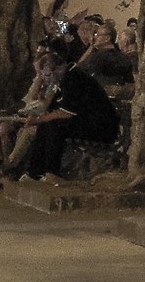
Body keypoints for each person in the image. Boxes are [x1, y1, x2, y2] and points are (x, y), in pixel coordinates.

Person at [9, 45, 121, 182]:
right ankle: (35, 172)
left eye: (45, 74)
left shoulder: (74, 78)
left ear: (55, 69)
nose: (44, 78)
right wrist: (42, 94)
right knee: (47, 125)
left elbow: (65, 113)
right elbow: (50, 107)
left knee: (54, 125)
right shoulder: (64, 79)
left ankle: (51, 172)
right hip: (85, 121)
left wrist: (38, 120)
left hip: (100, 127)